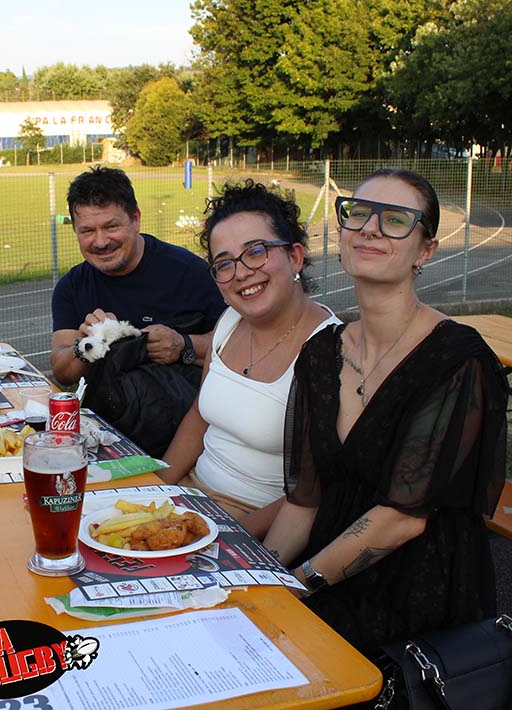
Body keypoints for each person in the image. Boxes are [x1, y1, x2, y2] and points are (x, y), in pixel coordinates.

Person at [263, 169, 507, 657]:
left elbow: (402, 519)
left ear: (426, 251)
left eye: (396, 220)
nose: (370, 229)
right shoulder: (320, 354)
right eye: (358, 214)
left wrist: (297, 586)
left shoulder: (458, 359)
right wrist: (260, 580)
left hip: (419, 596)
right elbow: (304, 500)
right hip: (327, 569)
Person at [157, 181, 339, 537]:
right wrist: (155, 488)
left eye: (256, 251)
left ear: (295, 257)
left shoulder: (330, 349)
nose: (240, 273)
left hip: (250, 523)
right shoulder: (229, 322)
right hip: (189, 500)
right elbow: (199, 417)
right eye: (224, 263)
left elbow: (312, 492)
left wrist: (225, 538)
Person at [51, 166, 226, 386]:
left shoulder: (192, 273)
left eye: (111, 227)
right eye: (87, 231)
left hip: (185, 405)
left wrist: (184, 344)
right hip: (103, 407)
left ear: (136, 219)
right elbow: (62, 372)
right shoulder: (71, 286)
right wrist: (86, 345)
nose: (101, 242)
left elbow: (243, 343)